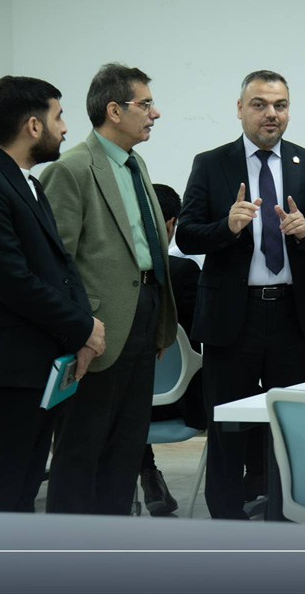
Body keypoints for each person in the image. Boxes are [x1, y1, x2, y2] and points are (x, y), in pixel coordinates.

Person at [176, 70, 305, 520]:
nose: (272, 114)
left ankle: (283, 514)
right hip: (233, 316)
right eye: (260, 104)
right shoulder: (211, 163)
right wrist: (226, 227)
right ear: (240, 109)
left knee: (287, 424)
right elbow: (186, 235)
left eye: (280, 105)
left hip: (291, 315)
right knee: (228, 424)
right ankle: (227, 518)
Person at [0, 75, 105, 512]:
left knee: (21, 496)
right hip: (5, 375)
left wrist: (83, 331)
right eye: (59, 117)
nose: (65, 128)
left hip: (38, 370)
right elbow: (15, 283)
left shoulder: (27, 184)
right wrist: (82, 326)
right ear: (34, 126)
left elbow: (61, 268)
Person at [40, 63, 178, 515]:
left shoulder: (135, 164)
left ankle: (112, 541)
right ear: (114, 110)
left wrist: (158, 318)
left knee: (127, 446)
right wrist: (78, 329)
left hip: (144, 315)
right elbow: (54, 264)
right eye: (146, 104)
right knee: (83, 448)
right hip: (96, 329)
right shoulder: (72, 169)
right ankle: (70, 546)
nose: (155, 113)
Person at [138, 183, 207, 516]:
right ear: (170, 224)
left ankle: (148, 473)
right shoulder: (184, 272)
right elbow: (203, 331)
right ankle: (255, 483)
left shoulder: (112, 277)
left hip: (128, 409)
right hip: (181, 405)